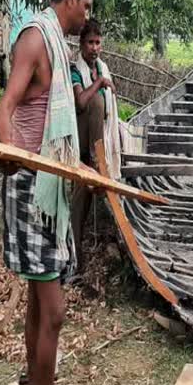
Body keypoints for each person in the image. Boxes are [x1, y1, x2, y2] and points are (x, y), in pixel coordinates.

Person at [0, 0, 93, 385]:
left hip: (49, 187)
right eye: (86, 6)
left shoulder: (59, 44)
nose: (88, 16)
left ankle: (36, 380)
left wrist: (78, 166)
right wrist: (7, 150)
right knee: (53, 310)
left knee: (39, 299)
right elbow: (6, 108)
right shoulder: (36, 39)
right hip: (30, 188)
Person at [69, 18, 120, 265]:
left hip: (97, 139)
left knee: (86, 195)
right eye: (90, 42)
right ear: (81, 43)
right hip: (79, 144)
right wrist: (99, 84)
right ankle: (74, 255)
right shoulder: (75, 70)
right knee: (96, 99)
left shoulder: (102, 68)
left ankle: (84, 253)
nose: (94, 47)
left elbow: (110, 115)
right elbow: (80, 103)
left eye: (98, 42)